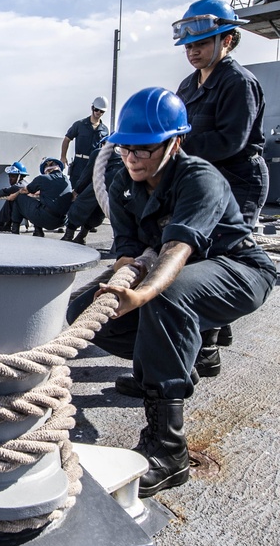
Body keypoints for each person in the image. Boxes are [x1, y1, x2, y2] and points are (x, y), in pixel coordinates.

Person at [66, 88, 275, 497]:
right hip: (180, 278)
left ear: (174, 141)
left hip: (238, 270)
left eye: (144, 148)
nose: (133, 157)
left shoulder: (200, 177)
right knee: (83, 309)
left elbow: (177, 250)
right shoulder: (124, 181)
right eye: (126, 148)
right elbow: (128, 248)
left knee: (164, 297)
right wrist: (119, 278)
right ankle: (173, 365)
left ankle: (168, 451)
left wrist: (139, 296)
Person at [172, 0, 270, 376]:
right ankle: (218, 326)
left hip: (237, 180)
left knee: (216, 260)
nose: (193, 52)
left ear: (227, 40)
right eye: (189, 46)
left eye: (201, 44)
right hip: (203, 179)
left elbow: (230, 140)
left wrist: (175, 149)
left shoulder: (238, 82)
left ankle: (206, 350)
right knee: (202, 254)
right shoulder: (187, 84)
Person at [60, 141, 125, 244]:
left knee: (82, 204)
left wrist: (77, 191)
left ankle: (69, 235)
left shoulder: (100, 152)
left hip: (106, 179)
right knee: (101, 208)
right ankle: (82, 235)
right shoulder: (125, 153)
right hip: (122, 182)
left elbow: (87, 174)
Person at [9, 157, 73, 236]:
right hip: (62, 221)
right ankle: (37, 231)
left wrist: (14, 195)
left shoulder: (43, 178)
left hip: (46, 220)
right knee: (40, 204)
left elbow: (25, 190)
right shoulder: (66, 180)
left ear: (46, 169)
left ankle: (15, 230)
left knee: (19, 197)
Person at [61, 97, 110, 188]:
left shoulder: (104, 130)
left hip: (94, 165)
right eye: (97, 109)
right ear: (92, 108)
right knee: (73, 188)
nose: (98, 113)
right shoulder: (80, 125)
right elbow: (67, 139)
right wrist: (63, 157)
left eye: (101, 111)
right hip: (79, 164)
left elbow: (105, 148)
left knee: (89, 191)